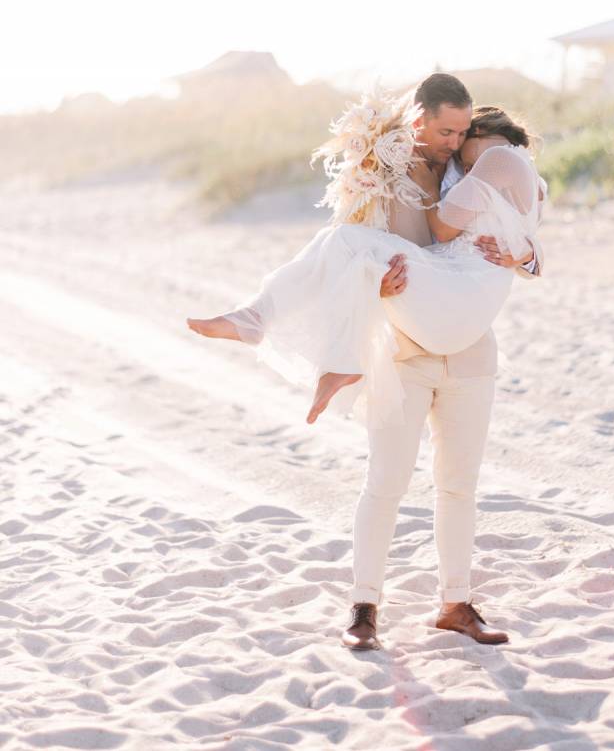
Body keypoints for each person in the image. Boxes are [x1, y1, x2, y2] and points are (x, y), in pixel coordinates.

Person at [187, 74, 547, 649]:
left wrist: (525, 254)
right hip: (406, 348)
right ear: (418, 119)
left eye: (464, 133)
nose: (455, 143)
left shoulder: (468, 170)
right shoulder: (382, 175)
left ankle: (457, 603)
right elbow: (350, 247)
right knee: (386, 483)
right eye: (448, 131)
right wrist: (375, 288)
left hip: (470, 347)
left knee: (459, 485)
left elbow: (521, 225)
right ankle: (364, 607)